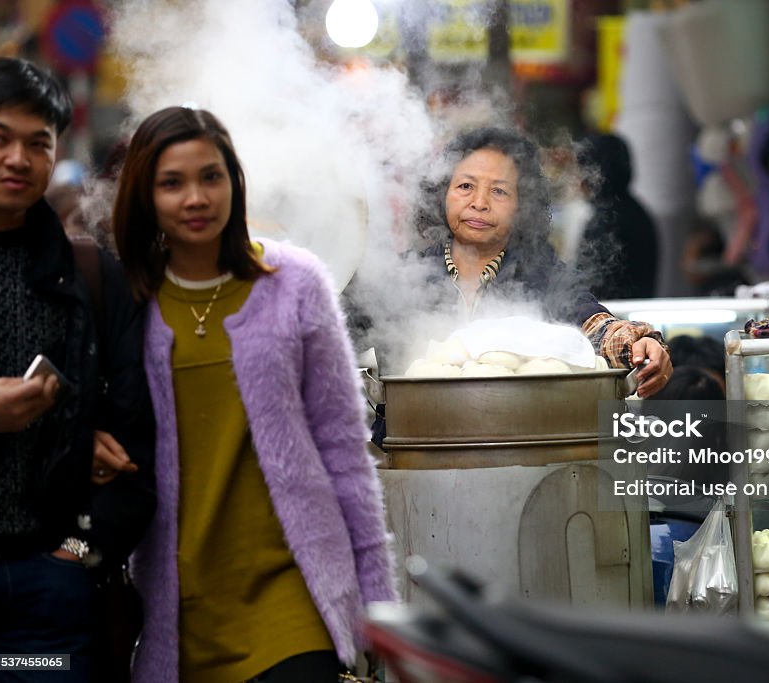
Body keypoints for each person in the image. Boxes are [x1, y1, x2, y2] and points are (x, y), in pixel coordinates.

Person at [107, 106, 396, 683]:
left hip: (295, 593)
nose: (196, 198)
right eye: (173, 183)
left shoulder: (295, 282)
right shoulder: (128, 299)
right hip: (181, 605)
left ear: (234, 183)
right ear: (145, 195)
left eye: (211, 177)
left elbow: (343, 447)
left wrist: (377, 599)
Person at [0, 57, 155, 680]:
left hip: (46, 588)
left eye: (37, 143)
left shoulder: (91, 276)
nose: (18, 159)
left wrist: (79, 553)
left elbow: (138, 436)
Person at [355, 126, 670, 396]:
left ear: (523, 206)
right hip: (410, 448)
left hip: (516, 450)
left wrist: (639, 347)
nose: (479, 203)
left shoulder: (543, 277)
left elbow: (596, 327)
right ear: (442, 193)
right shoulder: (405, 276)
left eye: (499, 192)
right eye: (465, 186)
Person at [575, 132, 659, 300]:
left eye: (582, 169)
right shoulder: (634, 210)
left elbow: (591, 286)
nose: (577, 178)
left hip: (612, 318)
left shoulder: (608, 219)